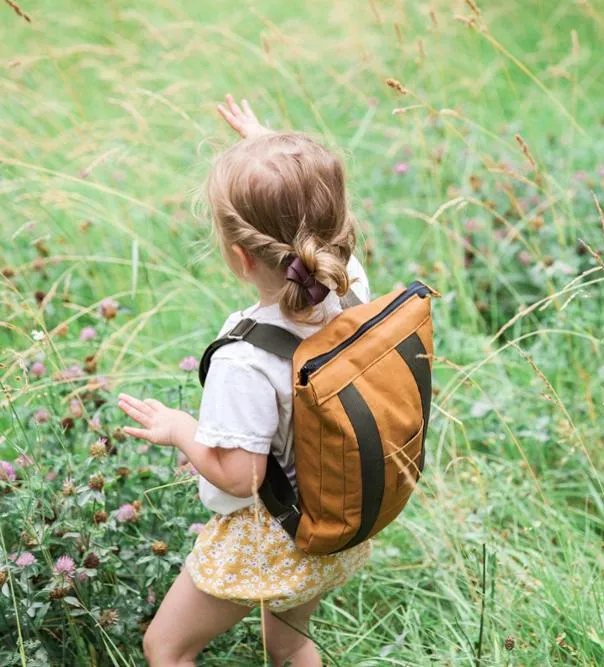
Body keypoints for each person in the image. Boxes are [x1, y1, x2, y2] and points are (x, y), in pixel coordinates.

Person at [118, 95, 372, 667]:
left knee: (167, 646)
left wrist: (182, 429)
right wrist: (275, 153)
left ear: (238, 258)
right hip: (337, 522)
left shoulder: (245, 358)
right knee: (289, 642)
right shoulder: (349, 283)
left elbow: (239, 477)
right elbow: (313, 220)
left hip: (274, 540)